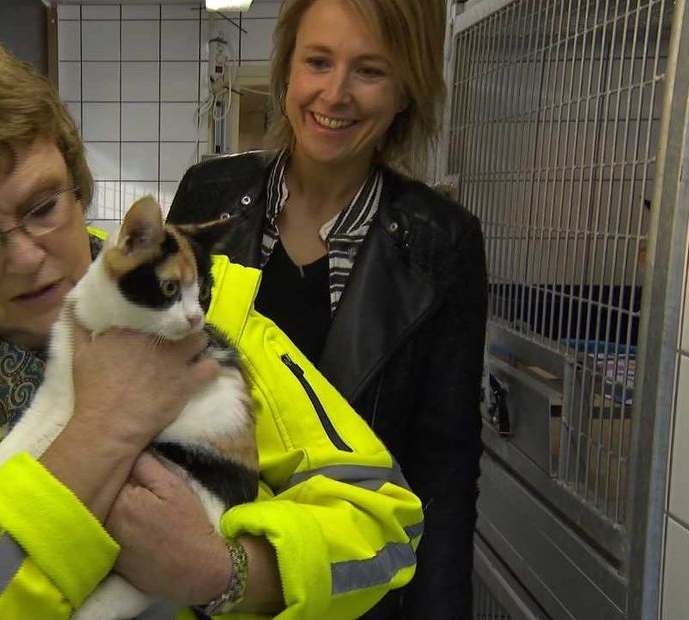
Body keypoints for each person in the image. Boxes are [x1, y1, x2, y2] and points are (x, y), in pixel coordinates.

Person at [0, 31, 423, 619]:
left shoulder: (210, 317)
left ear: (77, 182)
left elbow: (384, 524)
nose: (27, 257)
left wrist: (224, 572)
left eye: (42, 207)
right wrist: (101, 431)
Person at [166, 1, 488, 618]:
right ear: (288, 68)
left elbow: (444, 462)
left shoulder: (441, 240)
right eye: (318, 61)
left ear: (404, 93)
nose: (334, 94)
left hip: (352, 587)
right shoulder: (208, 192)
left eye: (369, 71)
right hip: (208, 565)